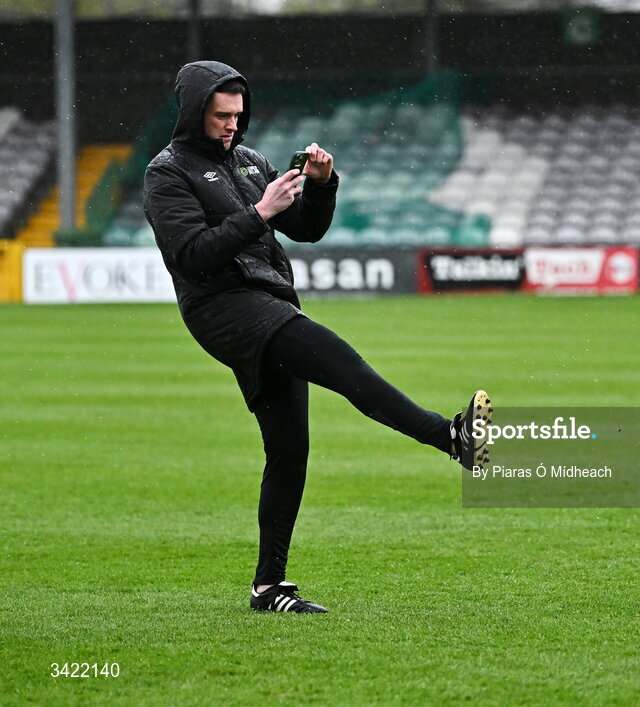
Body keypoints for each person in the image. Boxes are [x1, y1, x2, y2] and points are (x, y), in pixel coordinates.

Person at [143, 60, 491, 614]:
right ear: (194, 112)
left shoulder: (250, 161)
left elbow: (306, 228)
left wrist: (323, 186)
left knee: (289, 452)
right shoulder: (166, 173)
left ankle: (268, 588)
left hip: (269, 298)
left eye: (238, 114)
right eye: (220, 115)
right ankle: (451, 438)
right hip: (223, 308)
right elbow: (193, 256)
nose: (232, 125)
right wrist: (259, 213)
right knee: (343, 362)